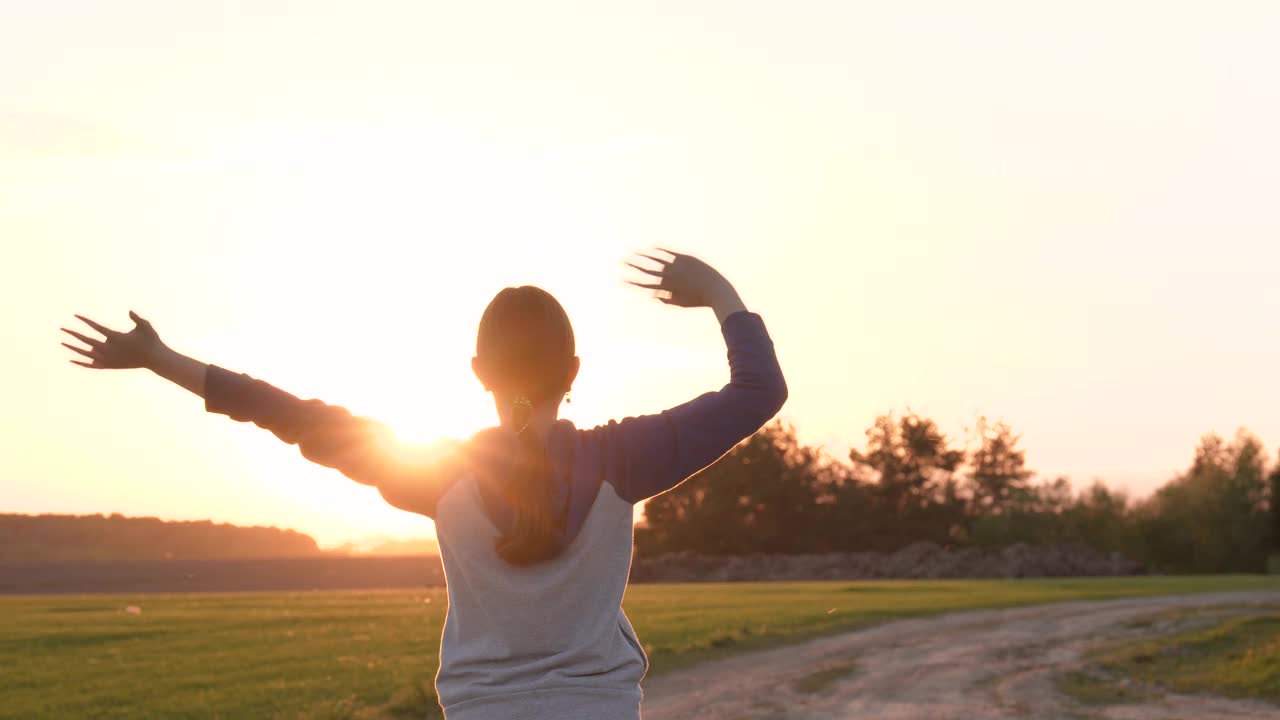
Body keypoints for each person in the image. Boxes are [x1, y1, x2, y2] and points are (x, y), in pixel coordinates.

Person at [61, 249, 787, 719]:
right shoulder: (624, 459)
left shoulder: (439, 475)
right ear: (573, 372)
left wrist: (161, 359)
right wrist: (720, 289)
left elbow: (287, 414)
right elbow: (759, 390)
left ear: (478, 372)